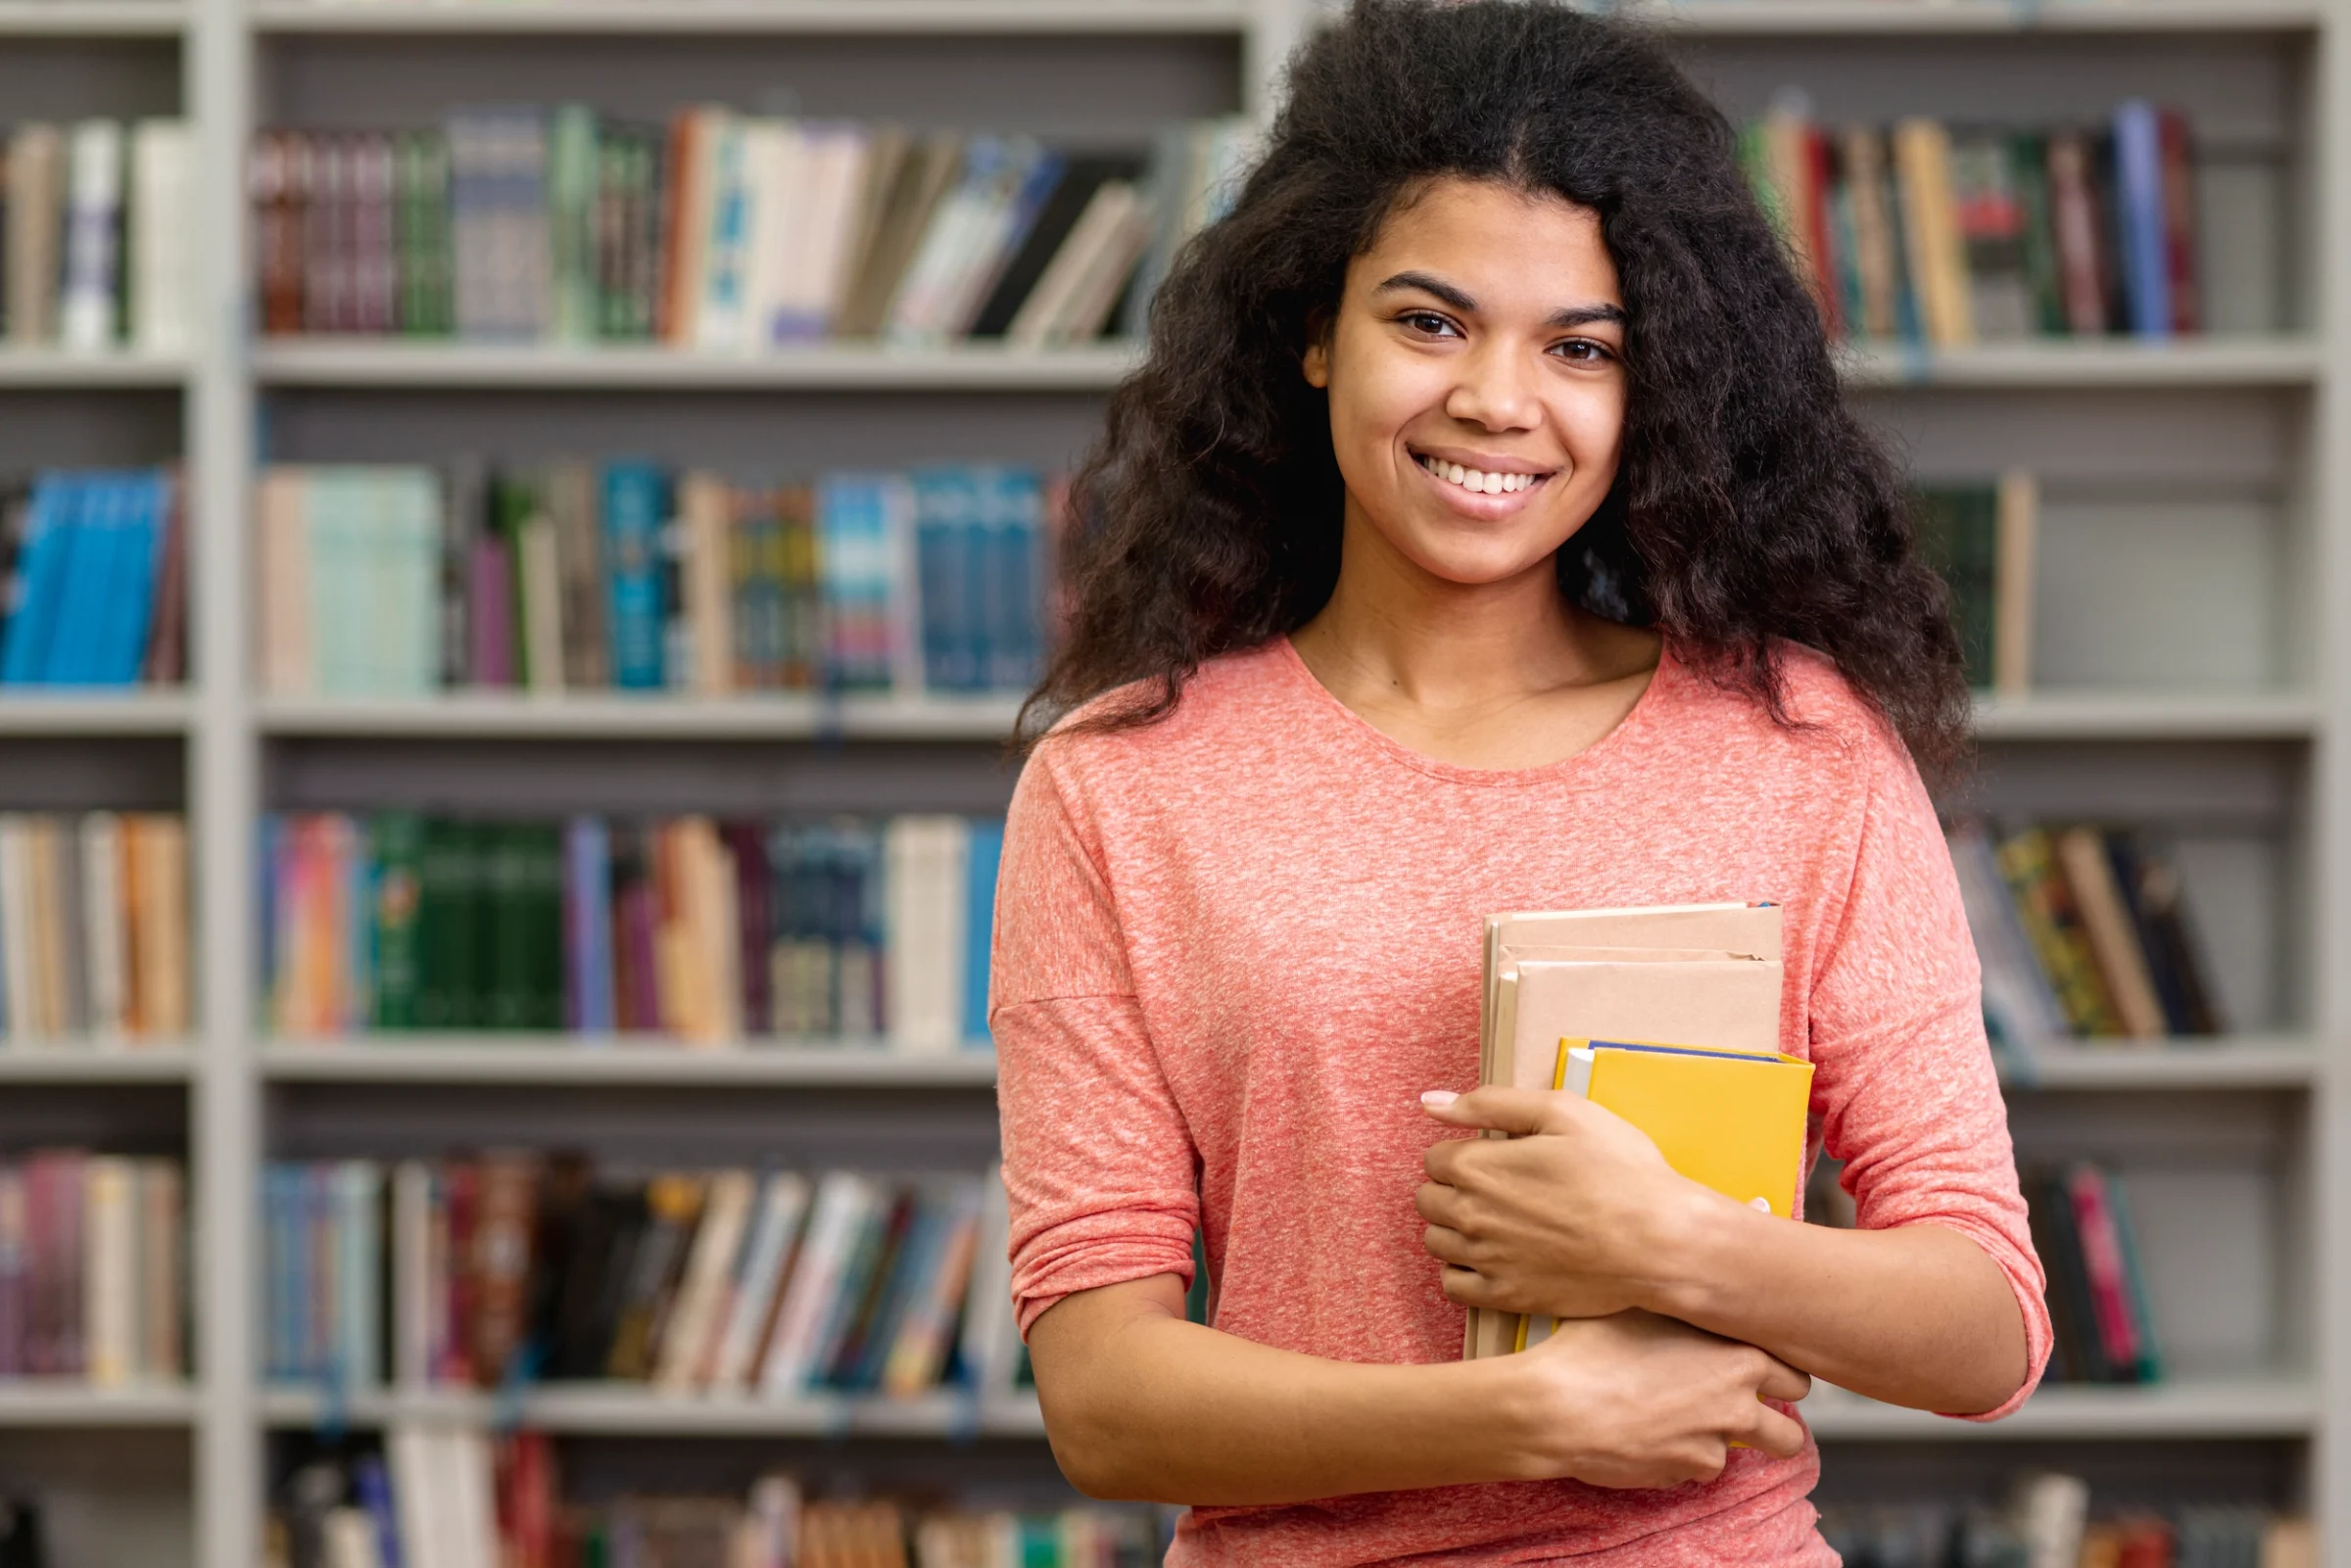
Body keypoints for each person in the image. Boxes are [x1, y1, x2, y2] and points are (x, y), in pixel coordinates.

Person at [989, 2, 2049, 1561]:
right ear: (1311, 330)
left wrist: (1675, 1243)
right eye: (1429, 322)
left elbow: (1985, 1330)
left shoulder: (1799, 752)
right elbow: (1102, 1400)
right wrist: (1528, 1417)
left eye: (1582, 348)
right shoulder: (1123, 788)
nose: (1498, 399)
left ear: (1655, 390)